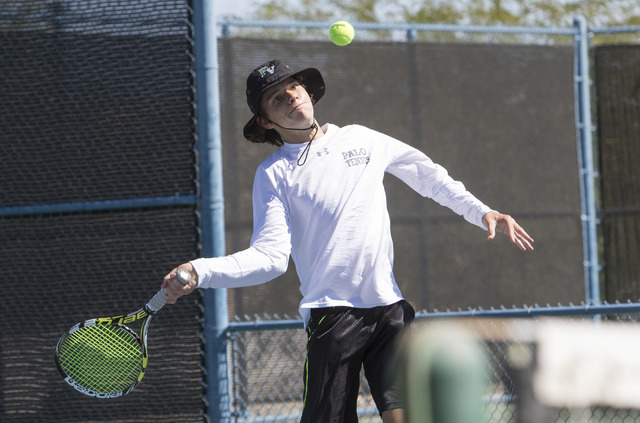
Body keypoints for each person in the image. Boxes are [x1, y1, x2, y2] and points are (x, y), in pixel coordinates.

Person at [162, 59, 534, 423]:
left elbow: (428, 176)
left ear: (306, 91)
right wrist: (200, 270)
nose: (290, 97)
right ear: (265, 121)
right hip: (332, 318)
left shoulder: (362, 138)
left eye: (293, 87)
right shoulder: (273, 174)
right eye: (276, 98)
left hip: (390, 309)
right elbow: (271, 257)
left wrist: (482, 211)